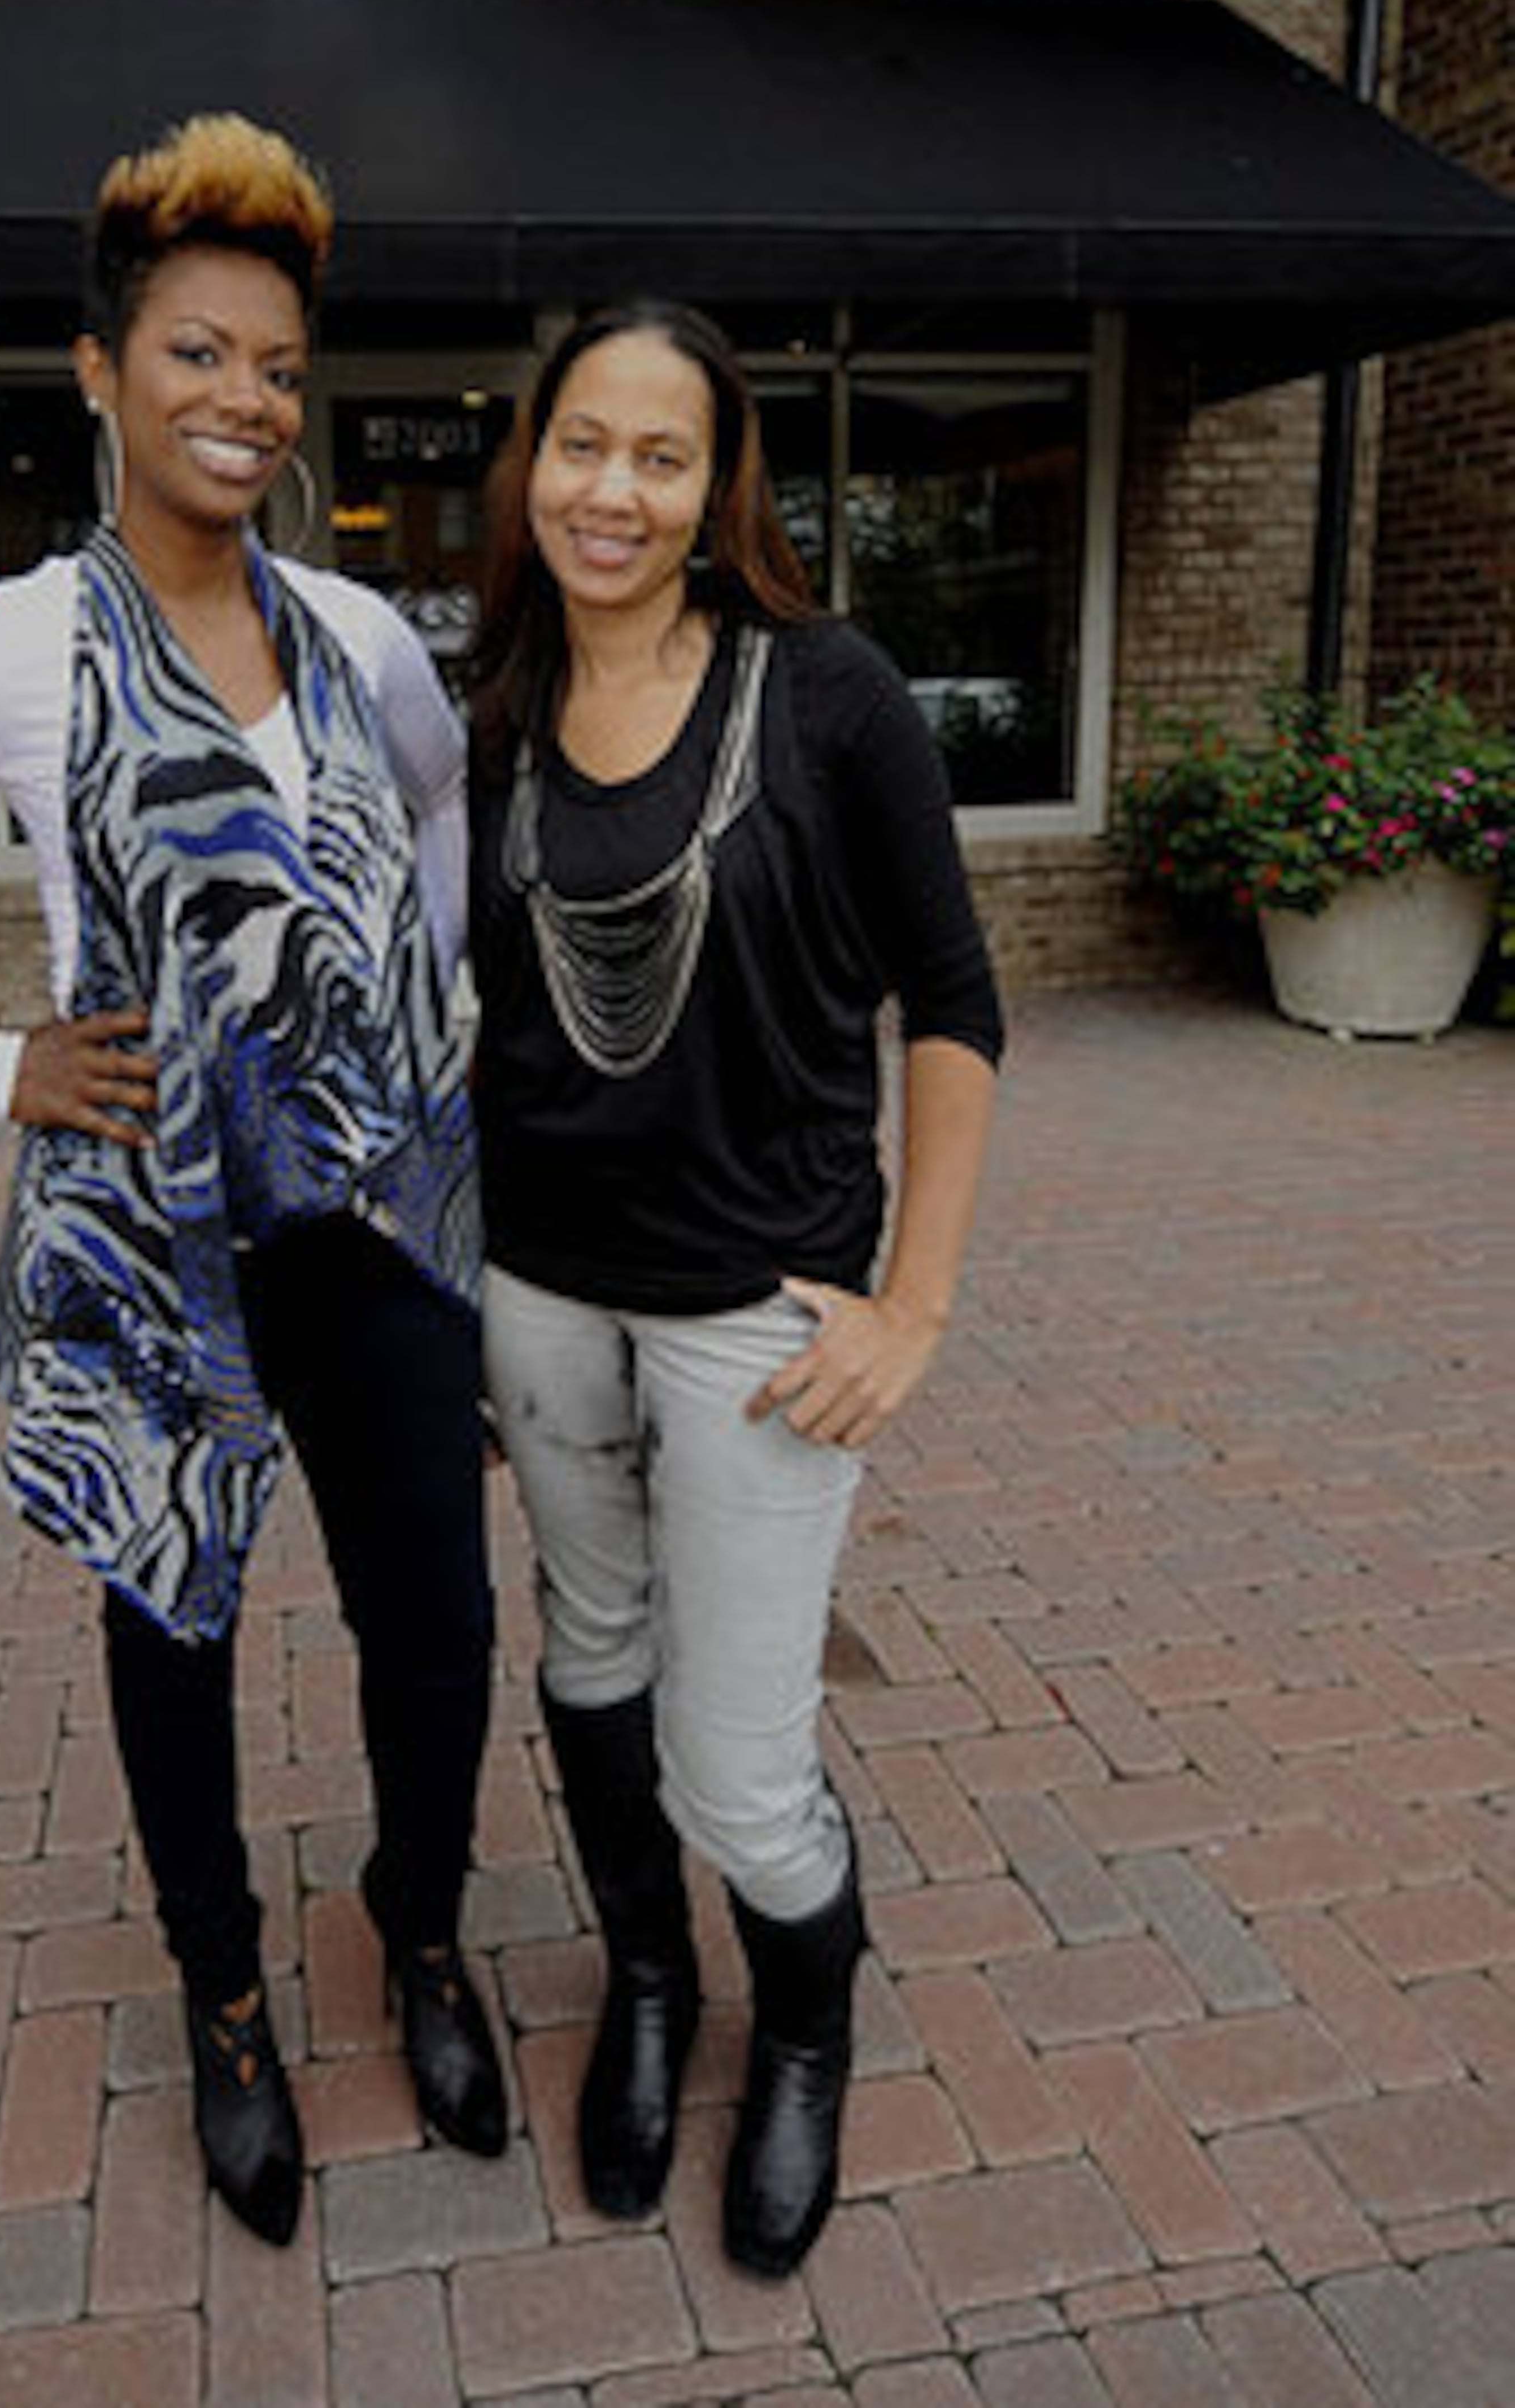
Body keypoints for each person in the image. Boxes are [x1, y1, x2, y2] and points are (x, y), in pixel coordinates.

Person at [0, 114, 507, 2250]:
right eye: (194, 353)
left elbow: (436, 819)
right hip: (158, 1235)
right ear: (98, 372)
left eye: (272, 363)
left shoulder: (358, 634)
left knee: (438, 1611)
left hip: (384, 1221)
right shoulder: (9, 649)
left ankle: (417, 1926)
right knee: (182, 1613)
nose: (241, 398)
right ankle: (225, 1990)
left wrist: (406, 1024)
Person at [467, 298, 1002, 2279]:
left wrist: (915, 1304)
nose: (610, 488)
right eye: (579, 444)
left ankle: (802, 2030)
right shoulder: (493, 706)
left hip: (756, 1320)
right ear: (531, 464)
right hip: (541, 1292)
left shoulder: (831, 694)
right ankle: (651, 1984)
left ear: (718, 485)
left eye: (659, 454)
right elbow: (482, 1024)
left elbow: (953, 1007)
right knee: (590, 1655)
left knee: (743, 1756)